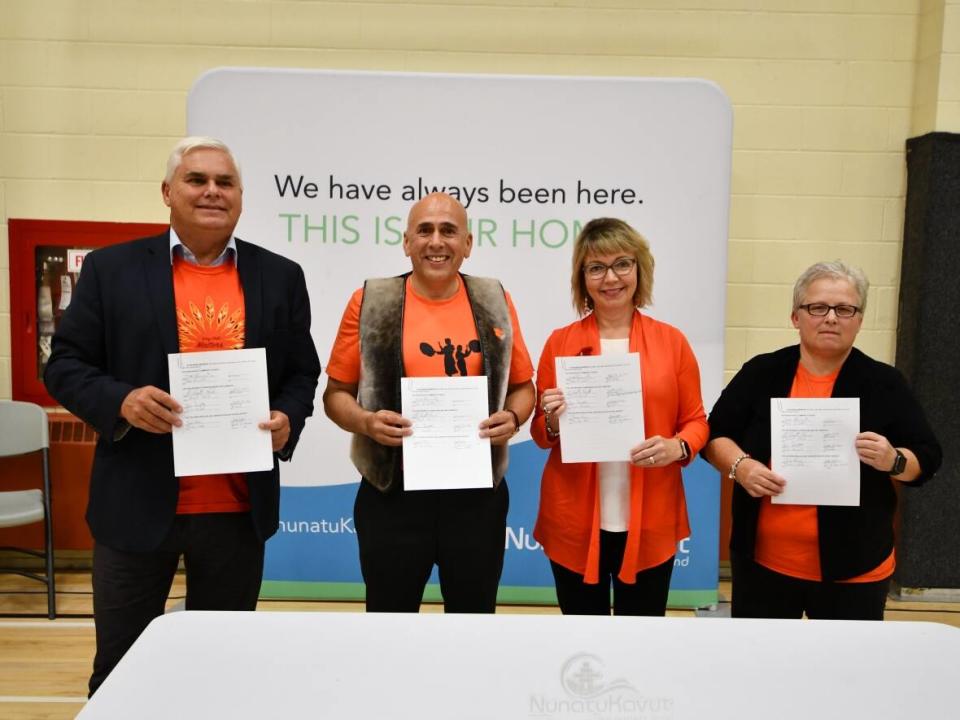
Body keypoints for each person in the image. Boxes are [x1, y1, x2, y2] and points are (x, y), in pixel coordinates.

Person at [44, 137, 321, 694]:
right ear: (169, 192)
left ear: (241, 197)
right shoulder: (111, 270)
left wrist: (288, 417)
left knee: (220, 672)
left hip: (237, 508)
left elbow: (301, 373)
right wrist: (120, 400)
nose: (212, 191)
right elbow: (65, 365)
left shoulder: (280, 276)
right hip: (136, 506)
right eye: (197, 180)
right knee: (122, 671)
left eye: (225, 182)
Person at [323, 192, 535, 613]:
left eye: (448, 231)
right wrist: (366, 423)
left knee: (474, 619)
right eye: (425, 230)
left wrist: (512, 418)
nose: (436, 241)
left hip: (476, 497)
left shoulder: (495, 298)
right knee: (390, 618)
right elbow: (335, 397)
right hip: (391, 494)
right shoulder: (371, 300)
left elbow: (523, 388)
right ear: (406, 242)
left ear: (468, 244)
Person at [703, 261, 942, 620]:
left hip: (856, 569)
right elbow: (715, 434)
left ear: (859, 320)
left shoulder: (884, 383)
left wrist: (893, 460)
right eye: (817, 307)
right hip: (764, 566)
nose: (831, 318)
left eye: (845, 309)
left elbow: (928, 457)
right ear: (796, 317)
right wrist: (741, 466)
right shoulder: (761, 373)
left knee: (845, 673)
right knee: (764, 669)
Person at [531, 218, 709, 615]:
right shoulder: (559, 342)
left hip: (650, 522)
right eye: (596, 267)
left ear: (639, 269)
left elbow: (697, 421)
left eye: (622, 264)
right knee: (581, 639)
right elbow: (541, 434)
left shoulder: (672, 342)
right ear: (583, 278)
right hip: (574, 520)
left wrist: (677, 446)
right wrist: (554, 421)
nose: (610, 277)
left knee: (642, 640)